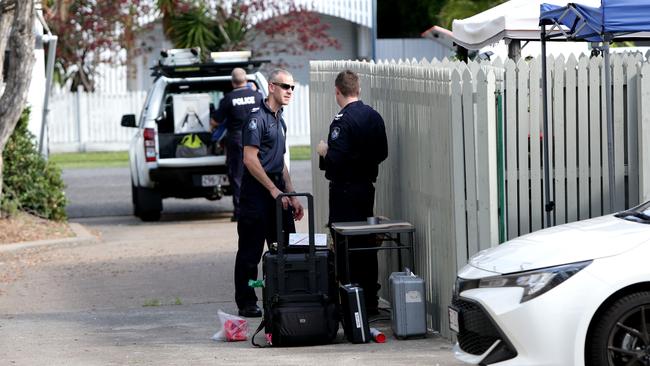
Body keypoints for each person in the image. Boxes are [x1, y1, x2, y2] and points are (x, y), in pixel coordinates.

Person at [317, 69, 388, 315]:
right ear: (358, 90)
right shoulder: (374, 116)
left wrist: (324, 152)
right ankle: (370, 300)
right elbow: (382, 153)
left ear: (338, 92)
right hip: (366, 188)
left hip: (344, 190)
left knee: (345, 246)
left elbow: (335, 160)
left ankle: (351, 301)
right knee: (366, 244)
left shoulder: (342, 120)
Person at [234, 69, 304, 317]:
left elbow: (279, 161)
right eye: (285, 86)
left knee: (284, 248)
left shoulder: (279, 119)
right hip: (257, 191)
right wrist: (274, 190)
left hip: (276, 190)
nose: (290, 92)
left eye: (293, 88)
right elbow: (250, 160)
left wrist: (291, 194)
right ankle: (248, 300)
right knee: (251, 253)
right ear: (272, 87)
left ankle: (283, 294)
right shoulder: (257, 118)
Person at [211, 68, 263, 222]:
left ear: (232, 82)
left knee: (238, 177)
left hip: (237, 141)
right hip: (257, 140)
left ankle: (240, 212)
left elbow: (215, 121)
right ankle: (259, 209)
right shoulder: (258, 96)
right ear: (246, 80)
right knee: (259, 174)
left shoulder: (228, 98)